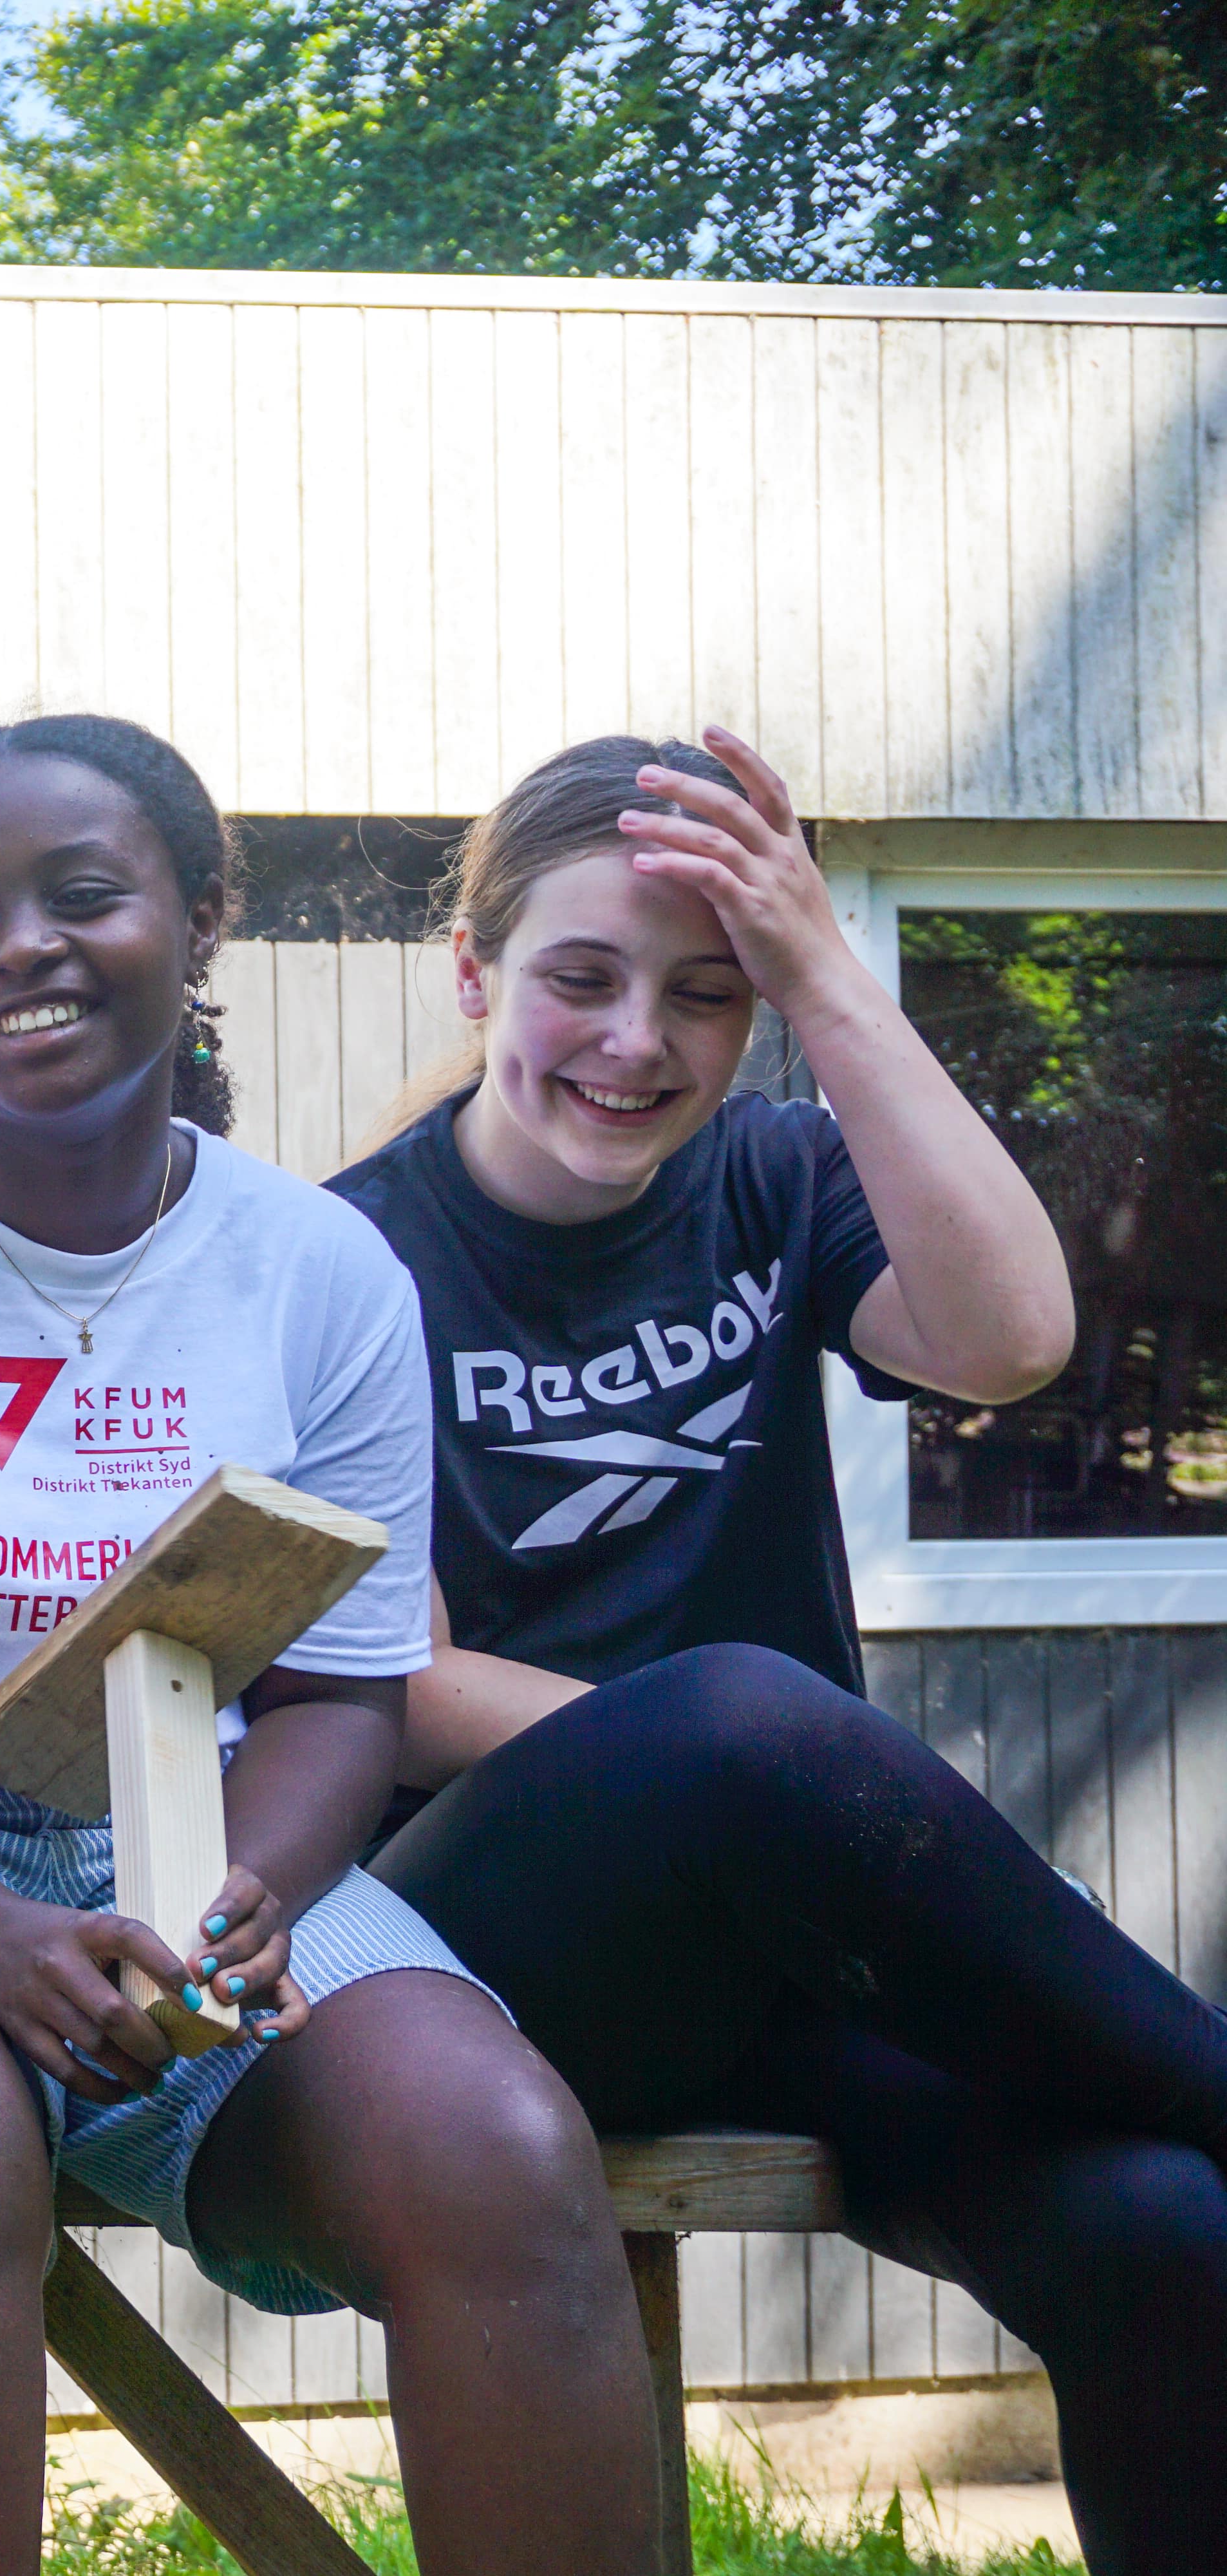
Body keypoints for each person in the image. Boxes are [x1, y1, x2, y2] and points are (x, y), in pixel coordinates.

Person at [0, 714, 667, 2576]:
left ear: (198, 922)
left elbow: (343, 1692)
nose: (20, 946)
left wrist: (243, 1897)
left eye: (82, 895)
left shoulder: (322, 1273)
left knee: (498, 2150)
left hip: (215, 1853)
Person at [333, 728, 1227, 2576]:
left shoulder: (773, 1176)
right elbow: (399, 1686)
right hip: (481, 1963)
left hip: (788, 1950)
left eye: (709, 993)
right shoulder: (343, 1257)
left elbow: (1010, 1341)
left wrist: (828, 974)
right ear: (475, 972)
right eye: (583, 979)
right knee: (740, 1714)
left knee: (1162, 2229)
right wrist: (766, 1777)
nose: (637, 1041)